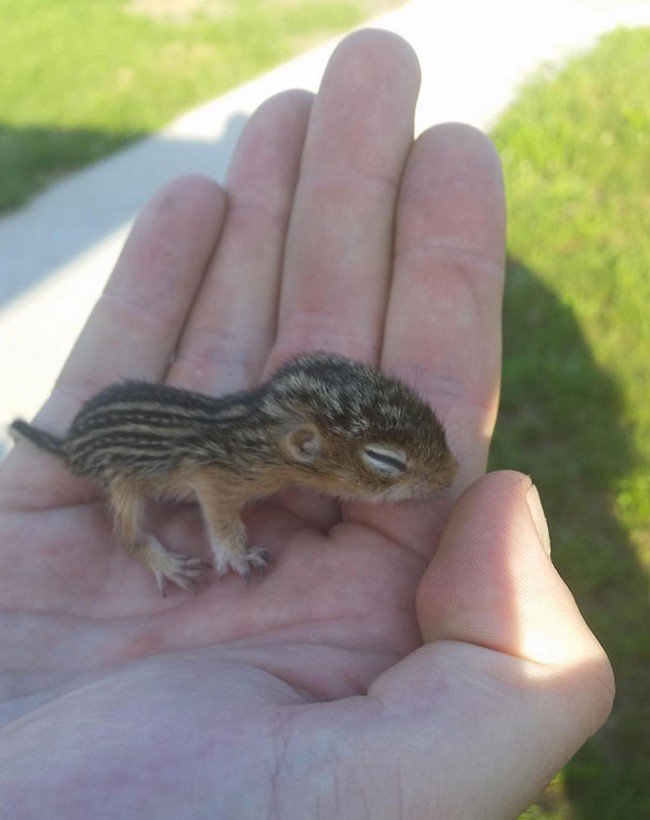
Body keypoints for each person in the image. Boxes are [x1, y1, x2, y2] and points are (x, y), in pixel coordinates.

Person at [0, 29, 613, 818]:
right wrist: (223, 548)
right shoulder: (246, 463)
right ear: (304, 449)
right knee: (128, 495)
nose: (433, 482)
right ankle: (143, 547)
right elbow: (216, 489)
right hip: (123, 451)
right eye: (391, 468)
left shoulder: (281, 453)